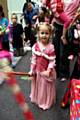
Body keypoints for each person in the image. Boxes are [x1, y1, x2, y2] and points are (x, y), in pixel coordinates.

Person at [29, 22, 56, 110]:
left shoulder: (51, 47)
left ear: (50, 34)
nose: (44, 35)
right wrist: (31, 70)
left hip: (46, 71)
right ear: (38, 34)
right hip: (38, 70)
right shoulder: (36, 46)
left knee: (44, 87)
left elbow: (52, 60)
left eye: (47, 33)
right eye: (42, 33)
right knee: (38, 85)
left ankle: (44, 101)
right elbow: (33, 60)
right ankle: (38, 99)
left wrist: (48, 70)